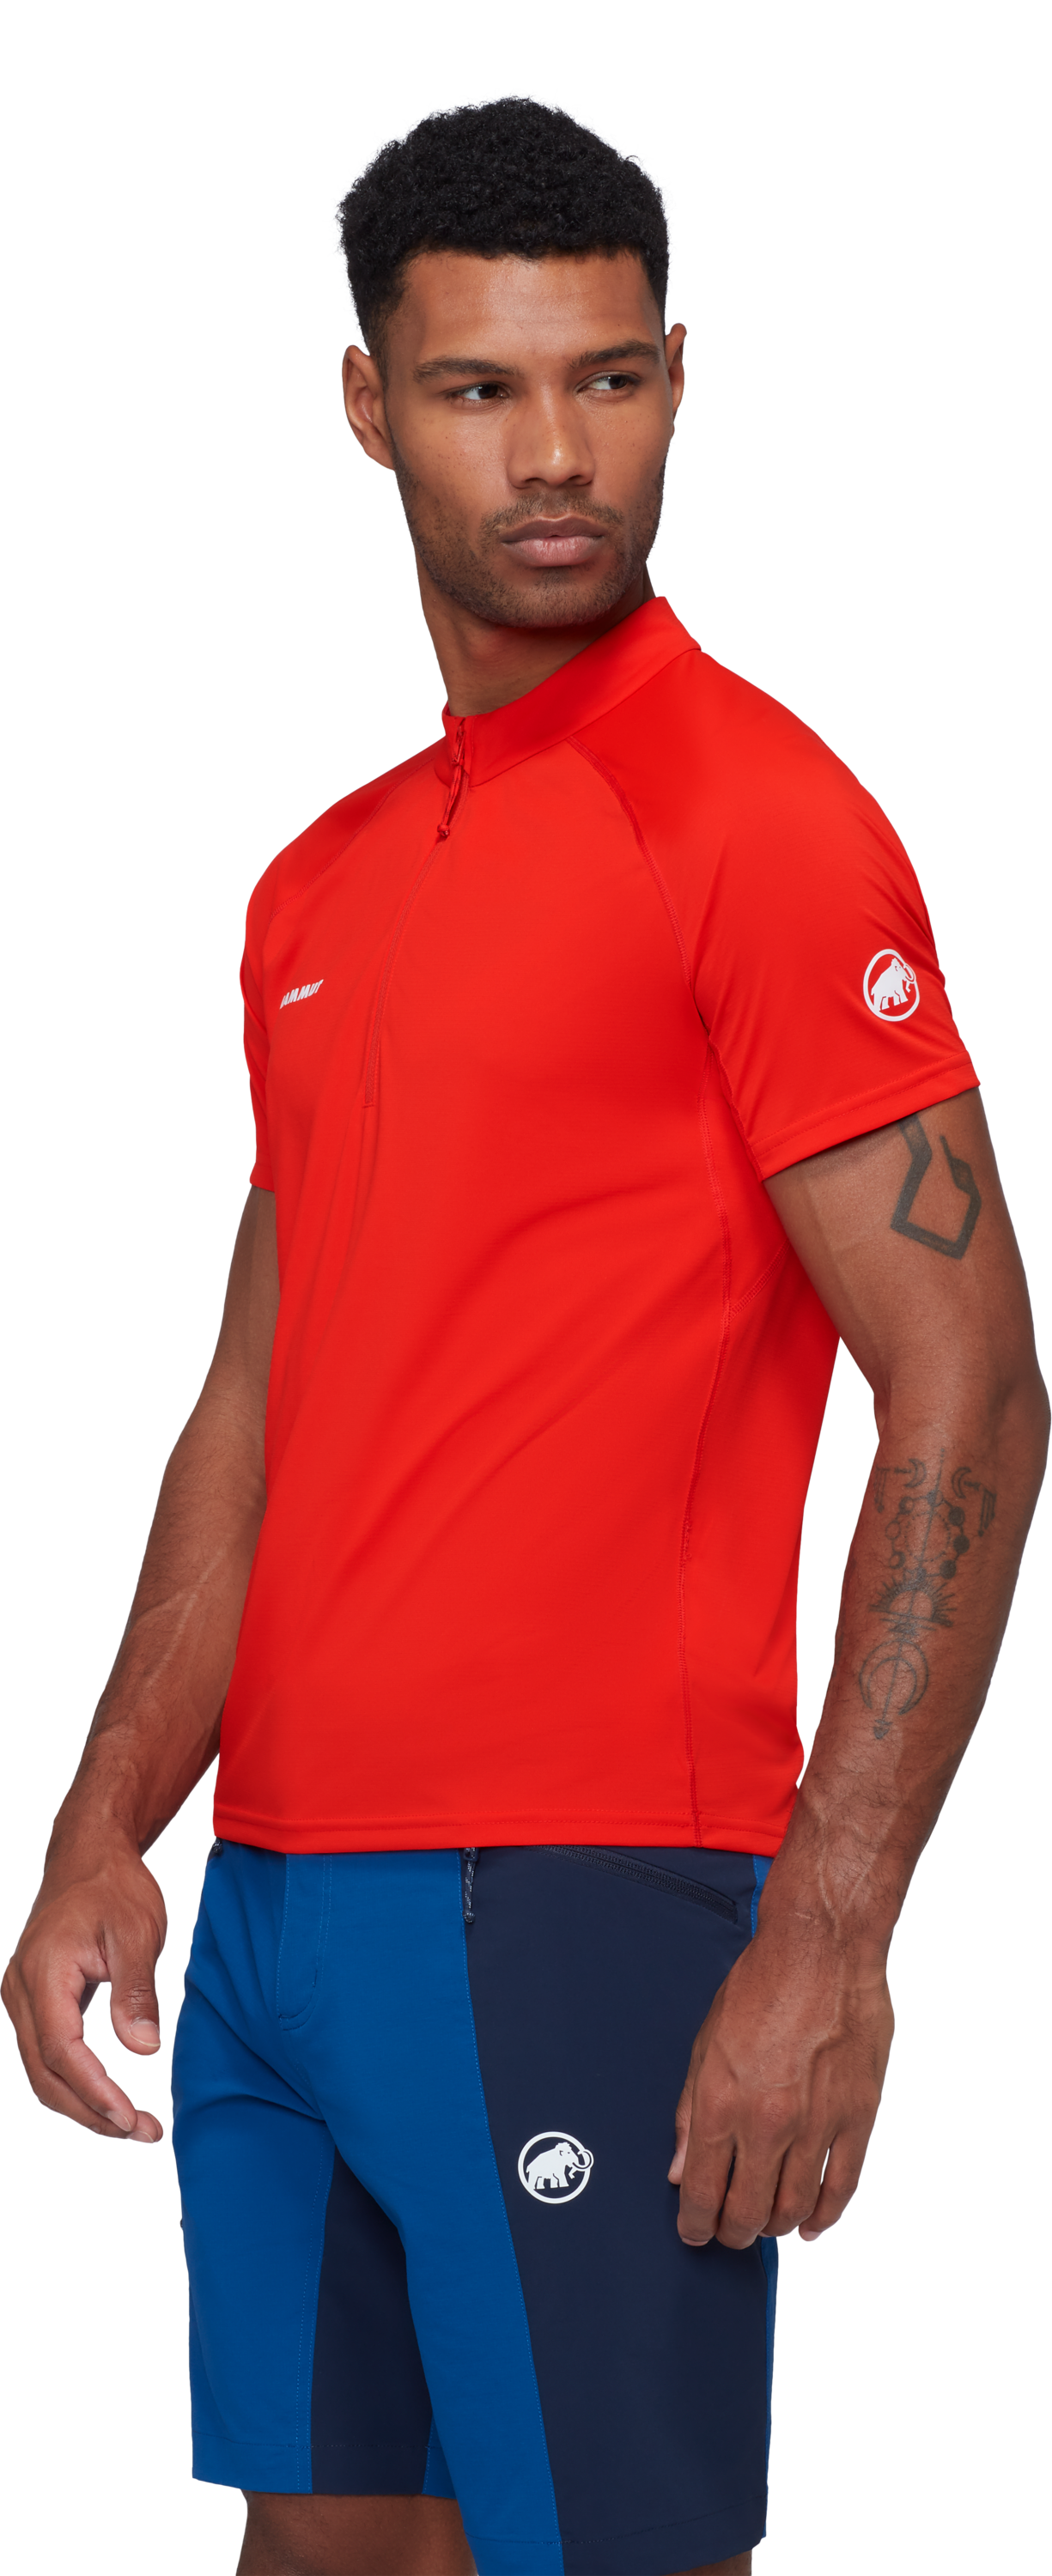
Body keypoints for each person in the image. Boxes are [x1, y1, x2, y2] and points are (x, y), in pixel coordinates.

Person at [3, 87, 1046, 2576]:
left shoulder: (758, 819)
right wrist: (107, 1819)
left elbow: (973, 1387)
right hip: (280, 1907)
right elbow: (258, 1399)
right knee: (322, 2551)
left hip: (580, 1882)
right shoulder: (318, 885)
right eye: (481, 389)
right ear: (373, 406)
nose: (556, 455)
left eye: (609, 379)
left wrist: (831, 1930)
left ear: (677, 379)